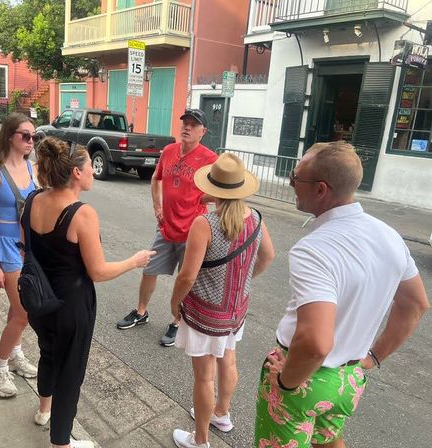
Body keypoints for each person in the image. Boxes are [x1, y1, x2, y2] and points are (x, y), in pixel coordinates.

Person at [254, 142, 429, 448]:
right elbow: (416, 303)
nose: (291, 183)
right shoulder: (389, 236)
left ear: (321, 189)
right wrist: (374, 357)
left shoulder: (314, 249)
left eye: (296, 178)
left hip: (303, 376)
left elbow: (315, 343)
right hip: (348, 378)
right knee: (331, 442)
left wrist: (285, 383)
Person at [23, 137, 155, 448]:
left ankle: (44, 410)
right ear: (77, 174)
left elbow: (25, 247)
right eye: (89, 168)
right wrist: (133, 262)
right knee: (71, 373)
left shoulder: (33, 200)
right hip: (71, 304)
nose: (94, 173)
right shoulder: (81, 213)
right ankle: (61, 443)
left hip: (38, 299)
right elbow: (98, 271)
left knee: (48, 354)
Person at [170, 153, 275, 448]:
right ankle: (222, 414)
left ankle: (200, 440)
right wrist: (243, 282)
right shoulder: (255, 218)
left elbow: (187, 277)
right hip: (235, 311)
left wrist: (174, 303)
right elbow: (268, 256)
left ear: (214, 188)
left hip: (205, 313)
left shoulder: (205, 224)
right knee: (228, 359)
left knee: (204, 378)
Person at [117, 109, 219, 347]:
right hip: (165, 227)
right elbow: (156, 178)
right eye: (185, 122)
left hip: (192, 232)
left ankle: (177, 322)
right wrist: (157, 207)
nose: (187, 127)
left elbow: (220, 192)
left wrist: (199, 200)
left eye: (194, 125)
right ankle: (141, 312)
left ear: (203, 132)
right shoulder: (170, 151)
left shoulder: (210, 160)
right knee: (149, 270)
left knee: (185, 279)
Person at [0, 113, 39, 398]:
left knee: (18, 310)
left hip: (28, 247)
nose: (30, 141)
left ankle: (14, 354)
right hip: (5, 246)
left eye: (34, 136)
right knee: (24, 313)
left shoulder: (32, 169)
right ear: (10, 136)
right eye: (25, 135)